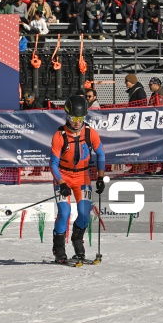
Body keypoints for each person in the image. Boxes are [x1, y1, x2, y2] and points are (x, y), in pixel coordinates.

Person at [50, 95, 105, 263]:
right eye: (73, 118)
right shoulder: (59, 135)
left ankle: (77, 239)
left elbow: (101, 154)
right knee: (64, 212)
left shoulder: (90, 133)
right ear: (67, 116)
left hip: (83, 177)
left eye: (80, 118)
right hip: (63, 176)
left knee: (84, 214)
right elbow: (53, 164)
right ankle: (59, 248)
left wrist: (101, 178)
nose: (76, 122)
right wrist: (61, 183)